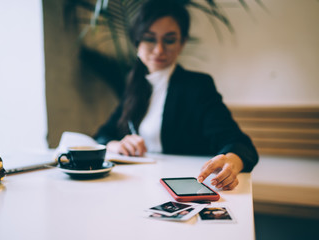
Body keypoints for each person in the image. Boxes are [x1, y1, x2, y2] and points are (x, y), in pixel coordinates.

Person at [94, 0, 258, 190]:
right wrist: (117, 145)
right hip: (138, 186)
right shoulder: (135, 86)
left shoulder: (197, 86)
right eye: (149, 38)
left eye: (169, 40)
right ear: (136, 42)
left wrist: (231, 162)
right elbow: (102, 135)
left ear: (182, 43)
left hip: (184, 187)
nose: (159, 50)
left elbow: (239, 143)